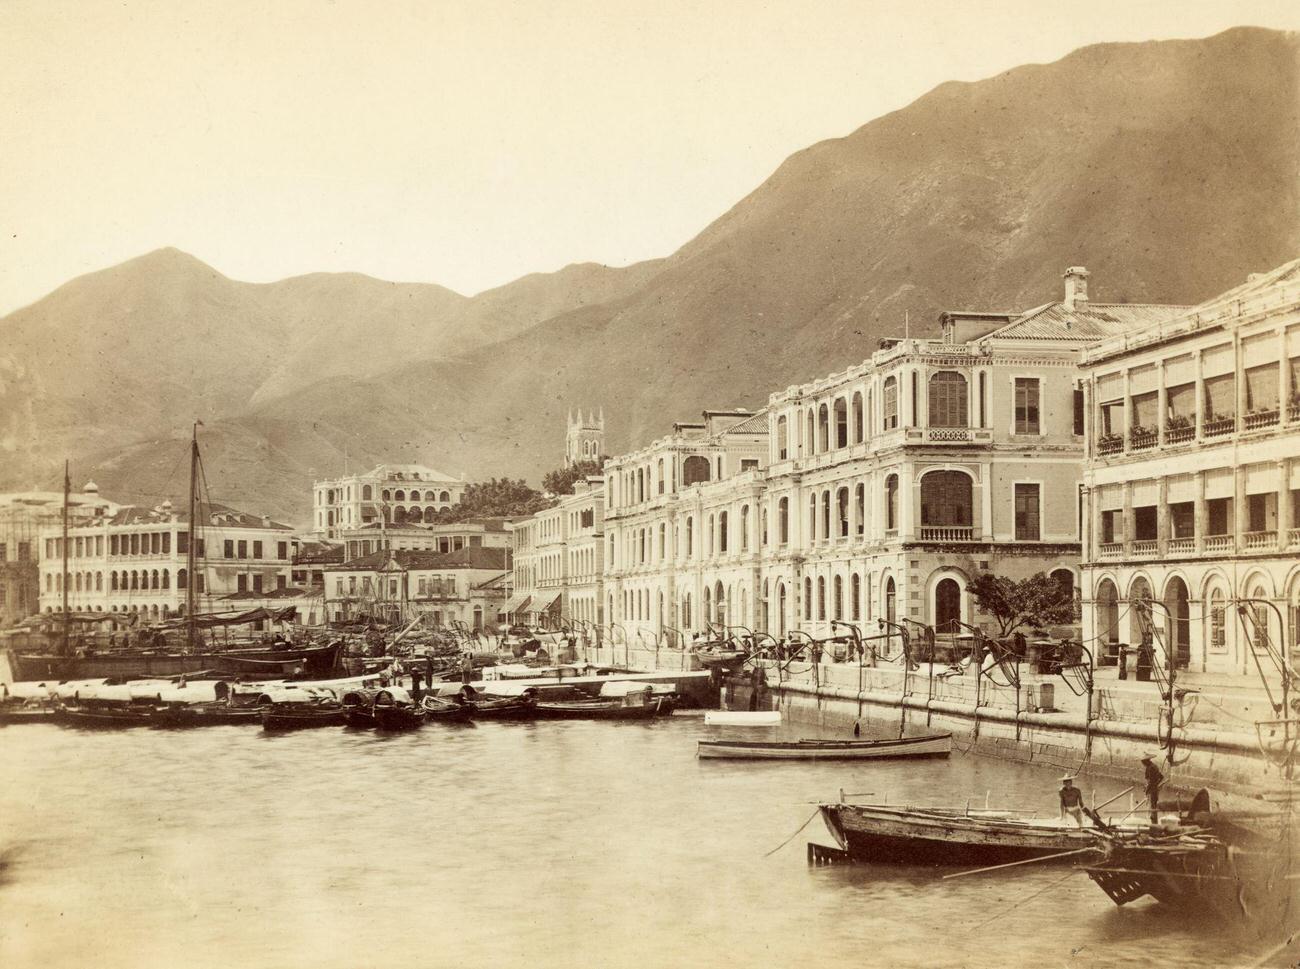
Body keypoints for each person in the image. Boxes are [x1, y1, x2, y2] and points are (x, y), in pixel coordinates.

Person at [1141, 753, 1164, 823]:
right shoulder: (1155, 766)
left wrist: (1146, 790)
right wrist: (1156, 784)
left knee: (1151, 807)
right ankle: (1154, 823)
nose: (1142, 764)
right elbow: (1161, 777)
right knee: (1154, 807)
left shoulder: (1149, 768)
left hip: (1151, 791)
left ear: (1146, 761)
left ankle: (1152, 824)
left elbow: (1150, 781)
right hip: (1155, 790)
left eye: (1143, 762)